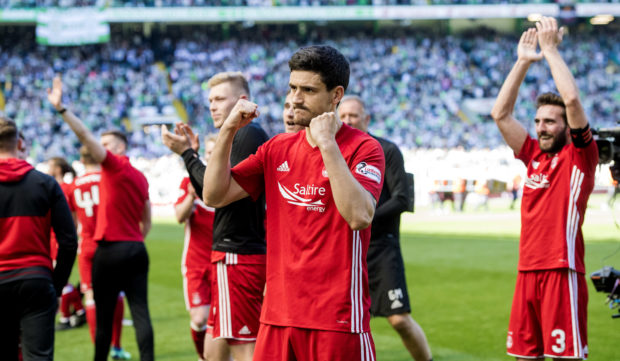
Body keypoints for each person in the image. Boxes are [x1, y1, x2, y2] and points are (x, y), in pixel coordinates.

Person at [203, 45, 385, 360]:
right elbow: (214, 195)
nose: (296, 97)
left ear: (335, 95)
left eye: (308, 90)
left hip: (337, 320)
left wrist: (327, 143)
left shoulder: (364, 148)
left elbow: (359, 215)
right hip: (277, 317)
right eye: (292, 88)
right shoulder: (277, 148)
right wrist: (229, 129)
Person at [490, 17, 598, 360]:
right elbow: (500, 114)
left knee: (565, 358)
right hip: (527, 271)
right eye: (538, 122)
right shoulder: (532, 153)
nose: (541, 128)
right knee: (525, 357)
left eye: (550, 121)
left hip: (561, 270)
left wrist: (549, 51)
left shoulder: (580, 156)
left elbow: (573, 100)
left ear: (567, 127)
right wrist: (522, 61)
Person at [162, 71, 268, 361]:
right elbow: (210, 192)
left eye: (220, 98)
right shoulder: (240, 135)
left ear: (242, 101)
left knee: (244, 345)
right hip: (232, 254)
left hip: (239, 255)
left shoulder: (248, 134)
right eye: (210, 100)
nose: (212, 106)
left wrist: (187, 155)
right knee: (213, 346)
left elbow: (216, 195)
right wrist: (191, 156)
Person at [47, 76, 154, 361]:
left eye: (106, 143)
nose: (100, 146)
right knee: (141, 312)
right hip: (135, 247)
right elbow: (148, 219)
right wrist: (136, 240)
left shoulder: (112, 166)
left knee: (102, 313)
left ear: (118, 148)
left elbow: (84, 136)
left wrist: (62, 109)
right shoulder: (140, 176)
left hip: (106, 248)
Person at [338, 95, 433, 361]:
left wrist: (364, 215)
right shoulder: (335, 152)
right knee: (347, 323)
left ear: (366, 119)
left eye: (353, 116)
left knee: (399, 320)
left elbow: (402, 199)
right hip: (348, 251)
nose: (348, 121)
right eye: (343, 116)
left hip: (382, 248)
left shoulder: (386, 150)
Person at [0, 116, 78, 361]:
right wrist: (56, 286)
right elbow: (68, 241)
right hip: (36, 279)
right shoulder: (45, 183)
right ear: (20, 143)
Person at [67, 146, 130, 360]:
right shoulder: (108, 179)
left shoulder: (74, 185)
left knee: (91, 298)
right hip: (110, 242)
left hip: (86, 246)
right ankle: (117, 346)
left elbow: (72, 223)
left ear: (81, 160)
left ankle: (99, 352)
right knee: (117, 294)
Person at [173, 135, 216, 361]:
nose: (211, 156)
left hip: (224, 261)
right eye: (208, 153)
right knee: (200, 318)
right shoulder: (188, 182)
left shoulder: (233, 182)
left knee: (222, 321)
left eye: (215, 152)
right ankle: (203, 357)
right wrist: (191, 196)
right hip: (196, 263)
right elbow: (180, 216)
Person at [46, 157, 87, 332]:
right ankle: (78, 311)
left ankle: (66, 317)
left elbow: (71, 218)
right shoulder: (67, 187)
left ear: (57, 168)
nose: (47, 168)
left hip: (57, 239)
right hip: (58, 238)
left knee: (60, 279)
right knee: (62, 278)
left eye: (49, 165)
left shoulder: (60, 188)